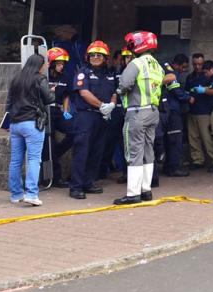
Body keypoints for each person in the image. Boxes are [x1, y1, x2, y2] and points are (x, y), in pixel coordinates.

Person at [114, 31, 165, 205]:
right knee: (148, 151)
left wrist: (118, 92)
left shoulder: (136, 63)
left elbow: (124, 84)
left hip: (137, 113)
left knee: (134, 151)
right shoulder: (157, 65)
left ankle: (133, 194)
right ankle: (146, 190)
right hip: (153, 112)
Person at [69, 41, 117, 200]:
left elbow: (115, 92)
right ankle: (76, 187)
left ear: (106, 58)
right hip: (86, 116)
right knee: (82, 150)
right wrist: (101, 105)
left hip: (103, 117)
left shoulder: (110, 74)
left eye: (99, 55)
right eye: (93, 55)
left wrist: (111, 105)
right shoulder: (83, 73)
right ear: (87, 57)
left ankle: (88, 182)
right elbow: (84, 93)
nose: (96, 57)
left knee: (97, 150)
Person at [6, 53, 55, 207]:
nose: (46, 66)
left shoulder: (16, 79)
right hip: (32, 123)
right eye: (45, 63)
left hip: (15, 123)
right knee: (34, 159)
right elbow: (49, 99)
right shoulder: (40, 78)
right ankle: (31, 194)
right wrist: (52, 90)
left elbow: (8, 103)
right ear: (40, 65)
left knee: (15, 160)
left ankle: (16, 194)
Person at [100, 48, 134, 181]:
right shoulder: (112, 73)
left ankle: (127, 174)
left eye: (127, 58)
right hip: (114, 110)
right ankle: (102, 171)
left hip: (128, 111)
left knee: (126, 144)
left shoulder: (134, 72)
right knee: (108, 141)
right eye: (122, 58)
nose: (125, 61)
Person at [46, 47, 74, 188]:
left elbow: (66, 95)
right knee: (48, 142)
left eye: (63, 64)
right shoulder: (45, 76)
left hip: (58, 109)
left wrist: (65, 110)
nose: (61, 66)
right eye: (59, 63)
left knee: (73, 131)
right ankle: (55, 179)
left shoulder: (65, 77)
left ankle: (56, 153)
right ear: (51, 63)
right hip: (46, 110)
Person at [159, 59, 190, 177]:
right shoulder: (170, 73)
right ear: (176, 65)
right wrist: (188, 98)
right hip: (172, 111)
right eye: (183, 67)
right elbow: (176, 90)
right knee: (175, 140)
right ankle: (173, 168)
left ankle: (168, 167)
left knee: (168, 140)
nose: (184, 71)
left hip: (165, 110)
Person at [186, 53, 213, 170]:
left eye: (200, 64)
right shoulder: (190, 77)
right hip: (192, 110)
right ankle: (197, 160)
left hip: (204, 111)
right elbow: (187, 91)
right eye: (195, 64)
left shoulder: (208, 76)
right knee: (193, 138)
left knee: (207, 138)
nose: (197, 67)